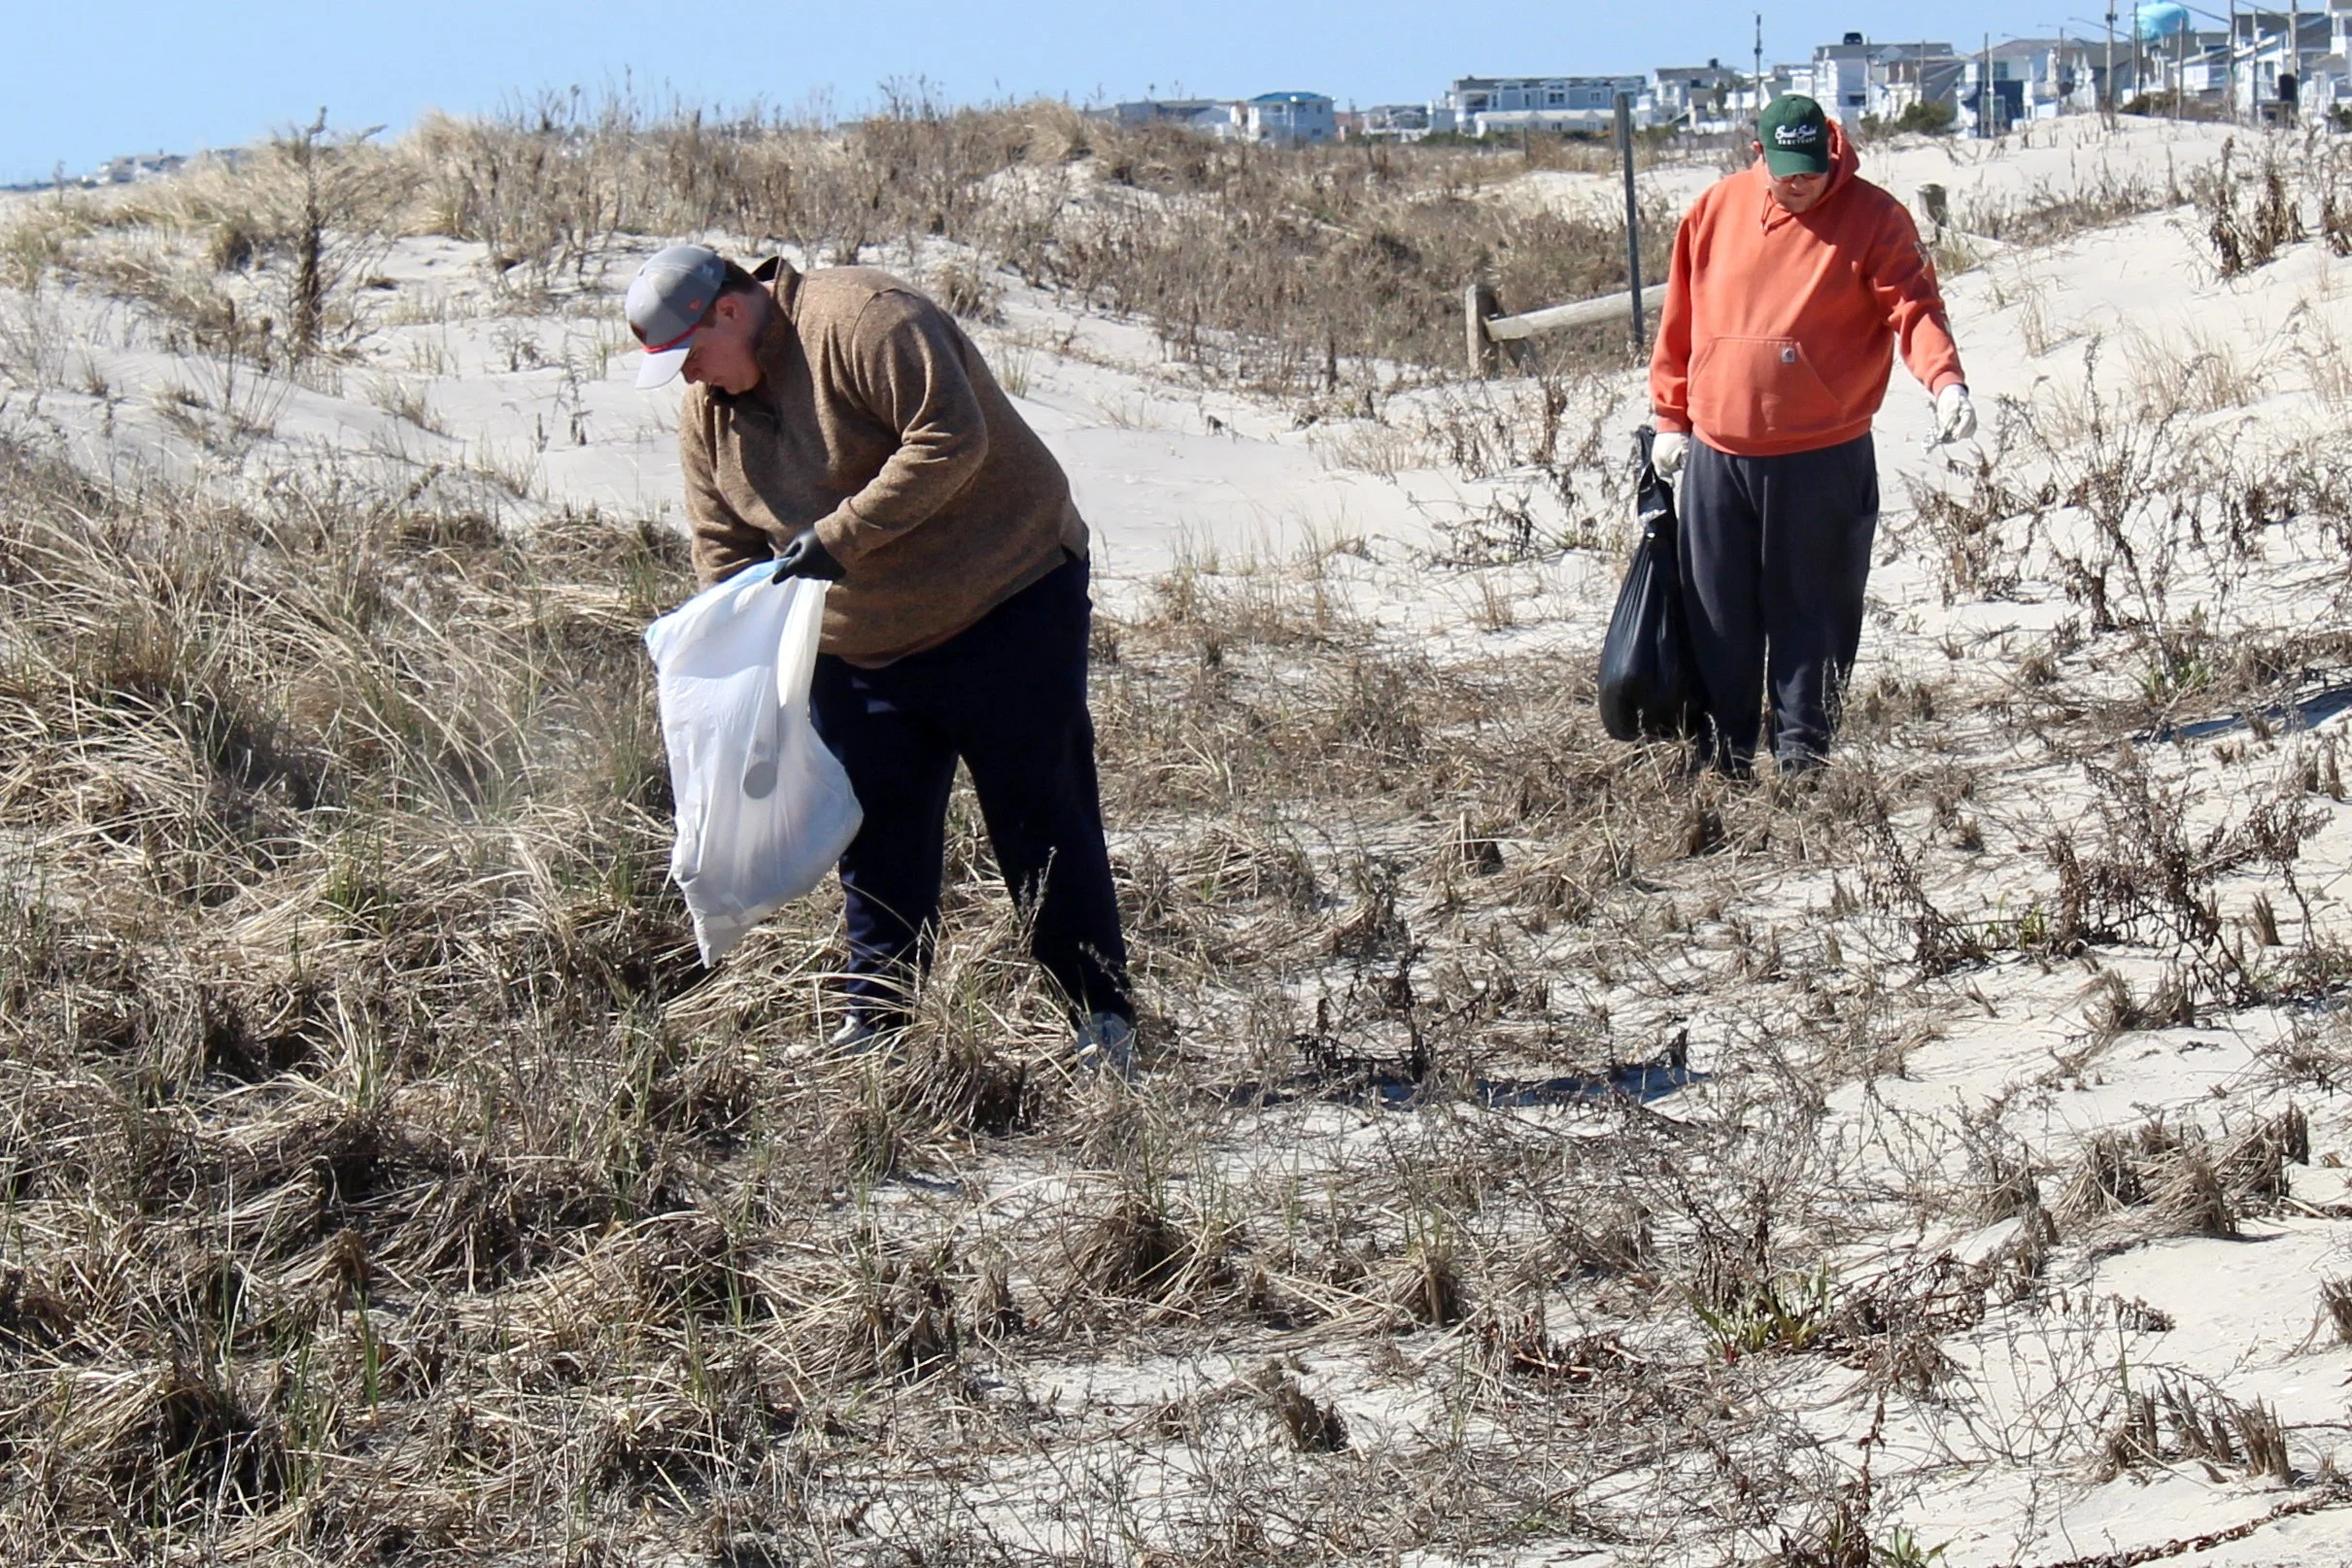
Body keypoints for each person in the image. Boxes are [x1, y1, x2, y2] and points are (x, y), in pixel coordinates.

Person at [627, 244, 1137, 1076]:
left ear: (730, 309)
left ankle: (1099, 1015)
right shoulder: (707, 411)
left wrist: (839, 538)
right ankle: (878, 1020)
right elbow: (723, 547)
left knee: (1039, 814)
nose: (689, 377)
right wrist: (739, 648)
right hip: (858, 643)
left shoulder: (865, 319)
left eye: (690, 355)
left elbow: (951, 437)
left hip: (1007, 598)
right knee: (875, 831)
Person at [1648, 94, 1975, 779]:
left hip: (1822, 454)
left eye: (1812, 169)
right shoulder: (1714, 209)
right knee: (1716, 616)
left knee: (1814, 615)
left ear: (1831, 152)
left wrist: (1945, 381)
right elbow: (1680, 318)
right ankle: (1724, 760)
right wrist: (1670, 419)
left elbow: (1913, 307)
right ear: (1759, 155)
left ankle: (1803, 764)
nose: (1800, 184)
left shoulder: (1875, 217)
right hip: (1718, 454)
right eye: (1786, 171)